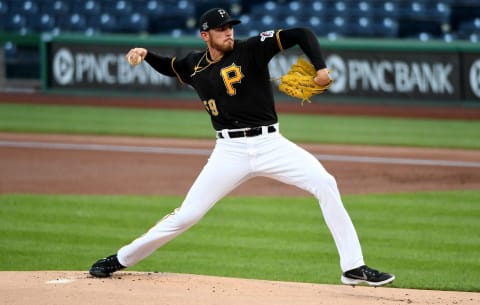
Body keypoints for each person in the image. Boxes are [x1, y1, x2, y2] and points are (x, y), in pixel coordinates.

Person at [89, 7, 395, 287]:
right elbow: (171, 67)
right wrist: (146, 54)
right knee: (187, 215)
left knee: (325, 183)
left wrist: (321, 66)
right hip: (228, 153)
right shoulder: (193, 64)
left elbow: (302, 32)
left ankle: (353, 266)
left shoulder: (252, 48)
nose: (229, 32)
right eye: (221, 28)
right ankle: (120, 259)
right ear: (205, 35)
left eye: (230, 26)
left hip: (271, 144)